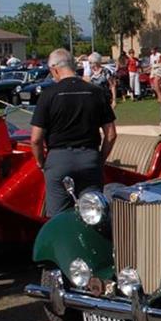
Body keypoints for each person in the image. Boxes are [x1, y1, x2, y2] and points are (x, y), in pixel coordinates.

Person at [30, 48, 117, 217]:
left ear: (55, 69)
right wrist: (100, 159)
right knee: (93, 214)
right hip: (89, 158)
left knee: (57, 218)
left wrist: (41, 163)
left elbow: (35, 139)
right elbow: (111, 134)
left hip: (58, 159)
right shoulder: (95, 92)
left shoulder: (48, 95)